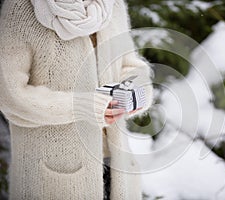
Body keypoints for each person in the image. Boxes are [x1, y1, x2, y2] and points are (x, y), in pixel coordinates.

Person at [0, 0, 153, 199]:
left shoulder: (112, 5)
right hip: (55, 176)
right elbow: (10, 95)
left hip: (117, 170)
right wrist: (82, 107)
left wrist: (135, 90)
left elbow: (131, 65)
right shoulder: (22, 7)